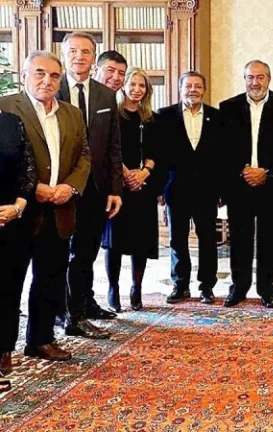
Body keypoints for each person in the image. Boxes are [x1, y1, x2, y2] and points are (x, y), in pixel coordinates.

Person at [0, 50, 91, 362]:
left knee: (50, 278)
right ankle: (3, 348)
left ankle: (40, 340)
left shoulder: (72, 114)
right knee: (8, 282)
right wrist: (30, 188)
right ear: (24, 75)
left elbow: (84, 157)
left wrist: (71, 186)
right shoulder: (5, 108)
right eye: (39, 73)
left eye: (54, 75)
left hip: (59, 211)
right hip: (17, 213)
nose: (47, 80)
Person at [58, 32, 123, 339]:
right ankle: (66, 312)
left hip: (96, 188)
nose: (79, 56)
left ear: (93, 58)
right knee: (58, 253)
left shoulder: (105, 95)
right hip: (58, 187)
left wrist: (115, 189)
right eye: (73, 51)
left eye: (86, 52)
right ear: (64, 53)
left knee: (86, 252)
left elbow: (113, 147)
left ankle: (80, 308)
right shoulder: (50, 88)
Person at [219, 60, 273, 308]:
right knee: (240, 239)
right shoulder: (228, 107)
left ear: (269, 79)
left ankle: (267, 289)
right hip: (239, 183)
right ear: (244, 79)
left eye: (260, 77)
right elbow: (223, 148)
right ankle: (239, 288)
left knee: (270, 240)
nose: (255, 82)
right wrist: (243, 170)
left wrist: (265, 171)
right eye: (250, 77)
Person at [156, 71, 223, 304]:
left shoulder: (217, 117)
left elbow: (223, 157)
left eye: (197, 86)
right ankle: (180, 285)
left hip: (207, 190)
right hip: (176, 189)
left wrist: (221, 191)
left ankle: (206, 286)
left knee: (207, 239)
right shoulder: (164, 116)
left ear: (204, 90)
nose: (193, 90)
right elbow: (160, 156)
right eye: (188, 86)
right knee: (177, 239)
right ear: (180, 89)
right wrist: (160, 189)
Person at [102, 67, 161, 312]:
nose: (137, 89)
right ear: (124, 86)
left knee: (141, 241)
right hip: (118, 187)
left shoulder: (152, 118)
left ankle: (136, 288)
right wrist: (126, 174)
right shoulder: (113, 115)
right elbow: (107, 149)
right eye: (133, 84)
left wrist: (145, 172)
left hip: (144, 187)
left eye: (142, 86)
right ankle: (113, 288)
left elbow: (159, 151)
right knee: (115, 241)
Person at [0, 110, 37, 385]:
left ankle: (4, 350)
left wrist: (18, 206)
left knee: (10, 289)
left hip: (12, 219)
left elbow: (28, 170)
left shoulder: (12, 122)